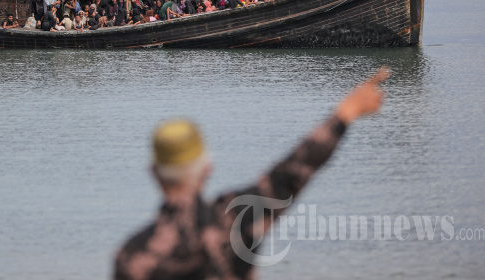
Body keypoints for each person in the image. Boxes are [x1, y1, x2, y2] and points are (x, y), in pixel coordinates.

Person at [114, 68, 390, 280]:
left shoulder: (132, 257)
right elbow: (292, 172)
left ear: (154, 173)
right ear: (207, 168)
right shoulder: (234, 219)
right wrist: (346, 112)